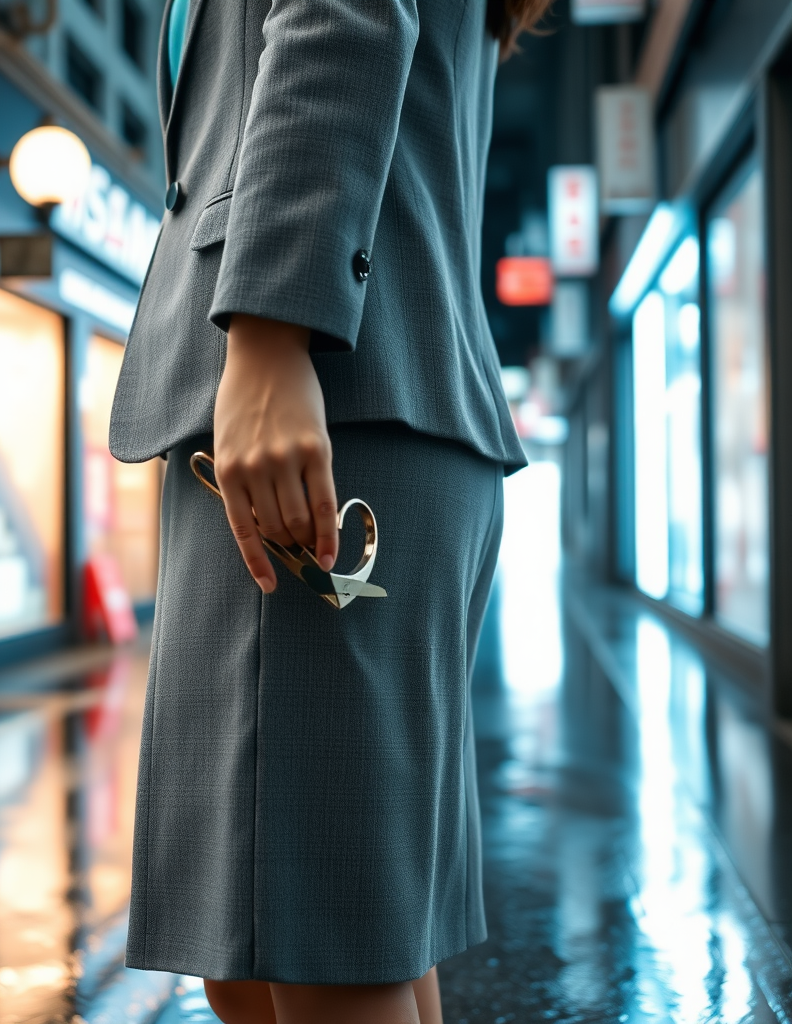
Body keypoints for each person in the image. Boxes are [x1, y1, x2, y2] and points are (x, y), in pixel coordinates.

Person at [109, 0, 550, 1019]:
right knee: (311, 940)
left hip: (319, 394)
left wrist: (271, 331)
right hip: (347, 397)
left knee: (312, 950)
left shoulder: (284, 351)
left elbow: (340, 15)